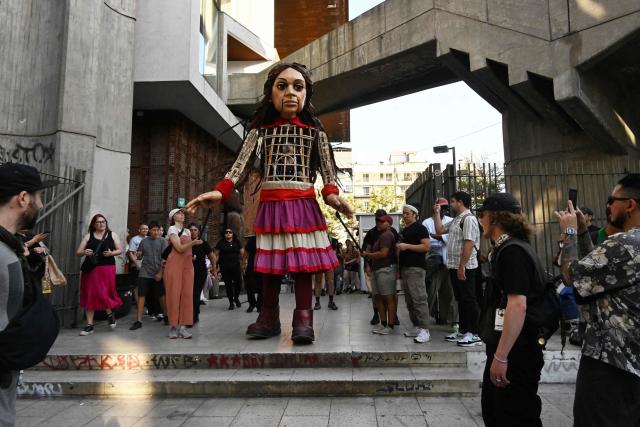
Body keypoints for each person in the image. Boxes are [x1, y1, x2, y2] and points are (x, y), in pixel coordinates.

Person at [185, 62, 352, 344]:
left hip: (303, 205)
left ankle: (303, 318)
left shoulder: (316, 135)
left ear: (306, 95)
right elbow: (238, 168)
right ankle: (269, 316)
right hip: (272, 205)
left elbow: (328, 176)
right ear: (271, 94)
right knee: (270, 267)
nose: (290, 92)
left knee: (302, 266)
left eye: (298, 87)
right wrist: (219, 191)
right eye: (282, 86)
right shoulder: (259, 133)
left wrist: (334, 197)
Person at [556, 174, 640, 427]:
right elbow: (598, 273)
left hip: (611, 364)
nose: (608, 207)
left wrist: (568, 231)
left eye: (612, 200)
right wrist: (582, 233)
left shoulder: (625, 243)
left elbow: (572, 276)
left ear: (630, 204)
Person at [477, 193, 545, 426]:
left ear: (495, 217)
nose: (480, 220)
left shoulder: (513, 251)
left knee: (512, 416)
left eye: (482, 215)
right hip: (515, 347)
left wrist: (501, 356)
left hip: (517, 351)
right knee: (498, 413)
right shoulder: (512, 247)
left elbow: (517, 305)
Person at [0, 163, 57, 425]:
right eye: (39, 197)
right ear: (23, 198)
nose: (42, 205)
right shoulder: (3, 257)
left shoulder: (10, 251)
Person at [433, 191, 482, 347]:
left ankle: (474, 333)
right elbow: (439, 230)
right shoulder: (457, 220)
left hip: (465, 266)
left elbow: (469, 243)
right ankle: (463, 329)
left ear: (460, 202)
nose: (450, 204)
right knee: (461, 298)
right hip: (454, 265)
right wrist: (436, 213)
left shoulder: (469, 219)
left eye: (453, 201)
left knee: (469, 299)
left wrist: (462, 266)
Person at [76, 214, 123, 336]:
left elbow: (120, 250)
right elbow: (78, 252)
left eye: (103, 222)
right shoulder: (88, 236)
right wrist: (84, 252)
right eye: (98, 222)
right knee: (90, 294)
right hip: (91, 268)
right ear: (93, 224)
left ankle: (109, 314)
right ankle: (89, 325)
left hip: (107, 268)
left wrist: (111, 253)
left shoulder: (112, 235)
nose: (101, 224)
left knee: (104, 293)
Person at [163, 208, 202, 339]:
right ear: (173, 217)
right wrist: (193, 242)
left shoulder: (187, 231)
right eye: (179, 213)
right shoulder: (172, 229)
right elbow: (179, 248)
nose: (182, 215)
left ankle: (184, 327)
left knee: (187, 295)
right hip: (174, 264)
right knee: (174, 294)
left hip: (187, 265)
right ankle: (173, 327)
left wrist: (192, 254)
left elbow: (187, 249)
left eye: (182, 213)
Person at [397, 204, 431, 344]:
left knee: (419, 299)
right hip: (405, 269)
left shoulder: (420, 228)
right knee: (409, 300)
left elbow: (426, 246)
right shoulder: (405, 230)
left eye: (407, 214)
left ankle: (425, 330)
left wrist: (406, 246)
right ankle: (417, 326)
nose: (405, 216)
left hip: (416, 268)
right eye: (403, 214)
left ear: (415, 214)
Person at [363, 209, 401, 325]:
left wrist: (398, 267)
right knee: (377, 295)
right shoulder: (371, 233)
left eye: (381, 219)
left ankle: (393, 316)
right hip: (376, 266)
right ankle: (377, 315)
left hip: (388, 266)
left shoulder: (392, 232)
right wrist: (367, 264)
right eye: (377, 219)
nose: (378, 221)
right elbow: (367, 249)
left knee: (390, 294)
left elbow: (397, 249)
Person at [422, 197, 455, 325]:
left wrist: (440, 238)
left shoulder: (451, 221)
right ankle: (426, 318)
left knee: (448, 293)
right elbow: (429, 242)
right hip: (435, 263)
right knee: (431, 292)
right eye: (440, 208)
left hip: (449, 262)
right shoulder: (427, 222)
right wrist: (441, 239)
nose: (442, 211)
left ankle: (446, 317)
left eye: (444, 208)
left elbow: (450, 238)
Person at [129, 222, 168, 330]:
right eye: (153, 230)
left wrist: (160, 273)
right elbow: (140, 255)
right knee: (141, 295)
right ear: (149, 231)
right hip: (145, 272)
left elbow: (165, 259)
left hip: (158, 272)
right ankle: (138, 320)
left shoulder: (163, 241)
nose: (156, 232)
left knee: (161, 295)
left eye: (157, 230)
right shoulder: (144, 241)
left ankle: (166, 316)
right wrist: (138, 255)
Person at [189, 223, 214, 323]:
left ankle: (194, 316)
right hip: (187, 272)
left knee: (195, 293)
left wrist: (214, 270)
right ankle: (193, 313)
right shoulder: (186, 243)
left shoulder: (203, 243)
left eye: (195, 230)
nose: (193, 232)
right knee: (189, 294)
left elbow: (212, 256)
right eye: (191, 230)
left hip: (200, 272)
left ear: (198, 231)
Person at [215, 228, 243, 311]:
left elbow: (242, 253)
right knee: (228, 285)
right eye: (226, 232)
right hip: (225, 267)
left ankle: (236, 298)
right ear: (224, 234)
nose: (228, 233)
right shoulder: (220, 243)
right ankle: (231, 303)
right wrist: (214, 266)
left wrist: (244, 262)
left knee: (239, 284)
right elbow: (215, 255)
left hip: (236, 266)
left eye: (230, 232)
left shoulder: (237, 242)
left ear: (233, 234)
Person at [314, 234, 339, 310]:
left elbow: (334, 252)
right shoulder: (316, 238)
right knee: (318, 281)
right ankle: (317, 302)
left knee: (331, 281)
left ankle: (331, 302)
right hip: (319, 261)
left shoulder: (333, 240)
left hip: (329, 261)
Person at [243, 234, 262, 312]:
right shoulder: (252, 239)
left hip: (263, 266)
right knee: (249, 286)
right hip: (251, 266)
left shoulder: (266, 239)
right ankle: (252, 304)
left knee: (262, 287)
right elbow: (246, 252)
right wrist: (244, 263)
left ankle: (259, 305)